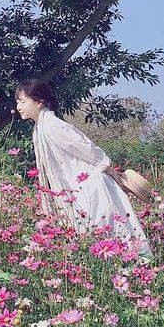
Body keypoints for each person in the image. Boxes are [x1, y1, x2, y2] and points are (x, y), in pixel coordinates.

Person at [15, 78, 151, 254]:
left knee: (104, 238)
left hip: (89, 188)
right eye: (18, 102)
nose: (18, 107)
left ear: (39, 102)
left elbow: (85, 147)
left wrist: (106, 165)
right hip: (76, 187)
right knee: (94, 239)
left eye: (22, 102)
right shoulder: (42, 126)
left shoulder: (54, 126)